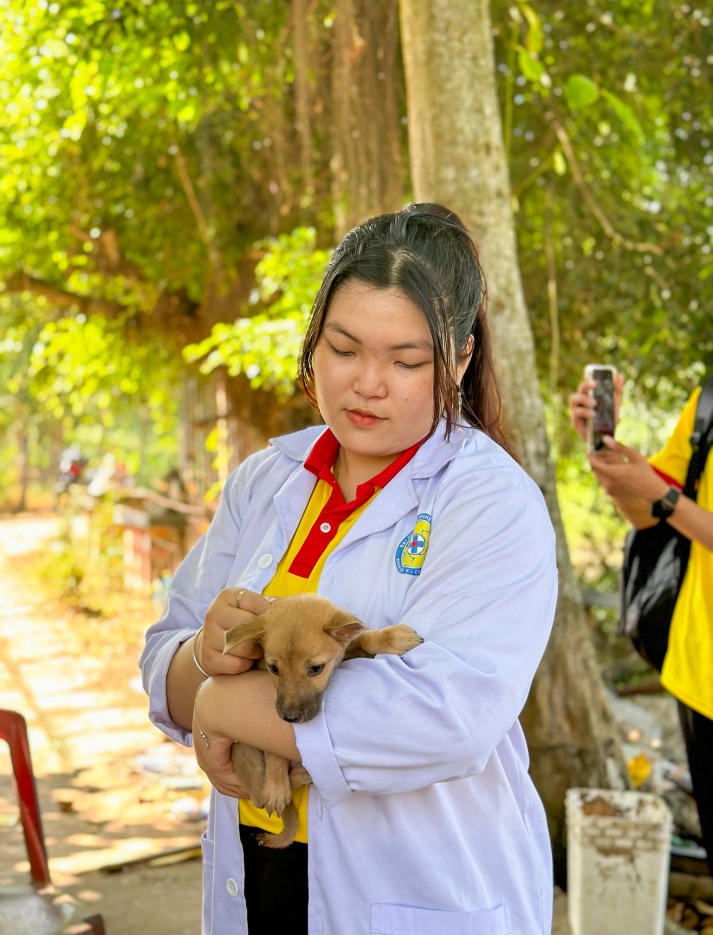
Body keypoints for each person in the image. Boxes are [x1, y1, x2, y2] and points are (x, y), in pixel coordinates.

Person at [141, 203, 558, 934]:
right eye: (343, 348)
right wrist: (201, 658)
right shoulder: (266, 480)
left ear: (459, 359)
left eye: (405, 361)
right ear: (313, 342)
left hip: (413, 887)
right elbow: (163, 656)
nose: (367, 383)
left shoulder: (490, 503)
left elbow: (446, 716)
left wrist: (223, 704)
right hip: (259, 865)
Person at [569, 373, 713, 875]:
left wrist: (665, 498)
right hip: (700, 676)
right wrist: (614, 470)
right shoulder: (707, 400)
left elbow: (669, 502)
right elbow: (650, 514)